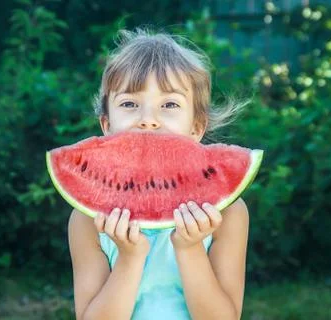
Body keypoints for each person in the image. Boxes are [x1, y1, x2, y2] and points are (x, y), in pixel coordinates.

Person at [68, 27, 250, 320]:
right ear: (107, 126)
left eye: (169, 105)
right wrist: (129, 257)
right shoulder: (87, 218)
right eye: (129, 104)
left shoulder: (227, 214)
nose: (148, 120)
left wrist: (190, 248)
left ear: (196, 128)